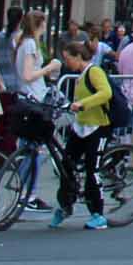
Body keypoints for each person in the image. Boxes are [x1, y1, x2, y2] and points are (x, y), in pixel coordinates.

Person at [46, 37, 111, 230]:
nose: (67, 63)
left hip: (98, 127)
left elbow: (105, 93)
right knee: (66, 166)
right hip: (81, 127)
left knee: (93, 170)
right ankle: (66, 205)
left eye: (68, 59)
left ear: (78, 56)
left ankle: (98, 214)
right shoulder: (81, 74)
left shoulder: (94, 71)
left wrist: (83, 104)